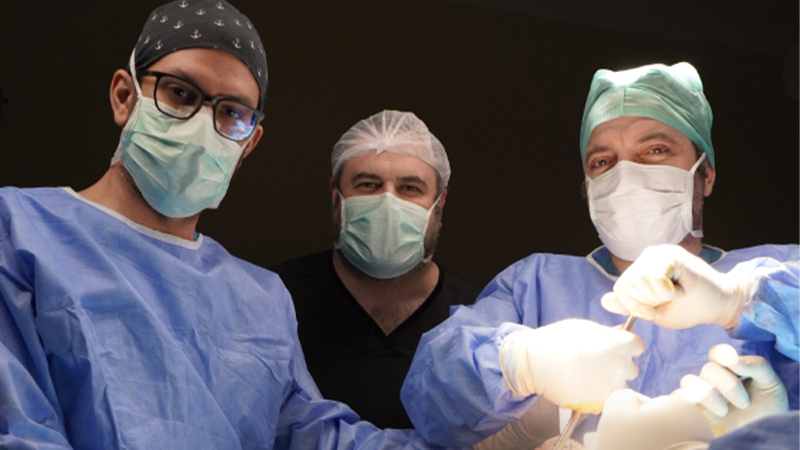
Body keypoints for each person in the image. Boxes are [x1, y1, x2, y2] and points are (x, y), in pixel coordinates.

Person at [0, 2, 443, 448]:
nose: (202, 125)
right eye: (180, 93)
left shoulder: (259, 300)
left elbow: (313, 436)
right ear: (124, 96)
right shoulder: (18, 232)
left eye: (232, 112)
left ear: (249, 143)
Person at [400, 62, 799, 449]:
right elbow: (431, 398)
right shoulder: (535, 286)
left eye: (656, 149)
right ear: (589, 189)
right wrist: (524, 363)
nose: (626, 173)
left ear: (705, 175)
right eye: (603, 162)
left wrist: (737, 299)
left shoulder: (778, 276)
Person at [271, 110, 481, 429]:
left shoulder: (475, 322)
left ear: (440, 203)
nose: (388, 202)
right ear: (336, 195)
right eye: (368, 184)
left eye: (410, 188)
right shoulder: (272, 302)